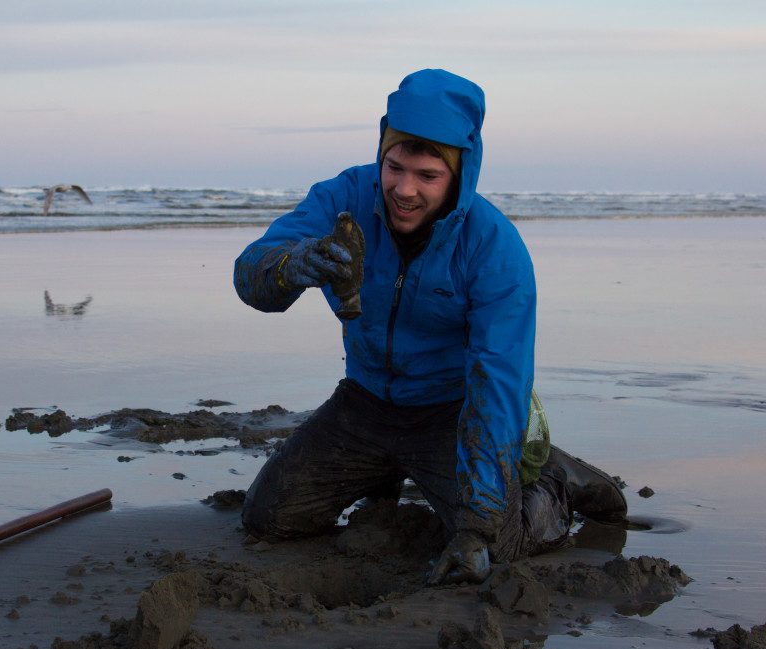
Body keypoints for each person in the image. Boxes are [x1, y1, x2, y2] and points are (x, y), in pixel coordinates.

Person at [233, 69, 627, 585]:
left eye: (427, 175)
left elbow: (499, 382)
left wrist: (481, 523)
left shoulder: (494, 248)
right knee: (268, 518)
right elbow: (250, 272)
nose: (404, 189)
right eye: (394, 167)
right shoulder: (343, 198)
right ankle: (385, 469)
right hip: (364, 402)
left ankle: (556, 481)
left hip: (452, 412)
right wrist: (291, 265)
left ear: (459, 174)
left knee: (497, 547)